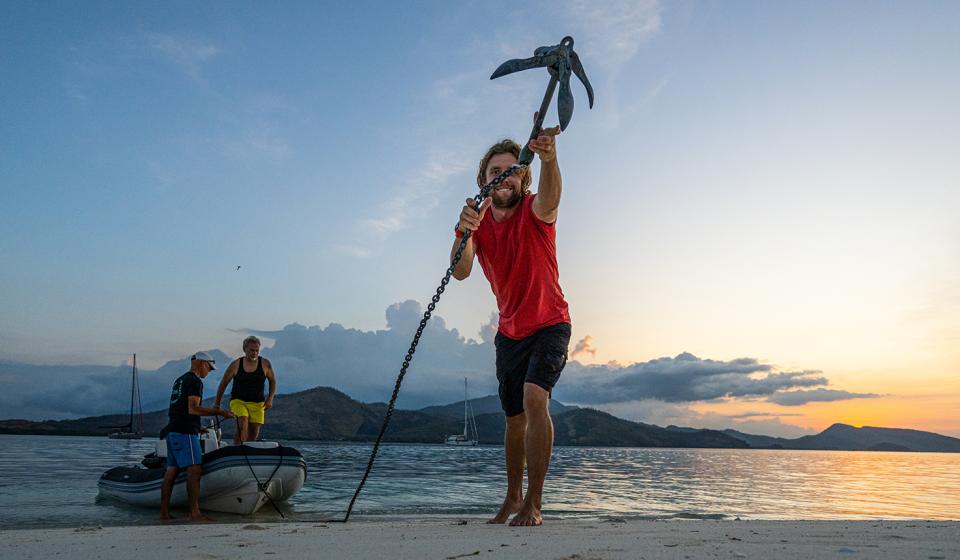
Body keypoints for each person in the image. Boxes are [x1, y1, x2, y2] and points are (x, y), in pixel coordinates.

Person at [451, 116, 571, 527]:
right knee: (513, 418)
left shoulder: (535, 210)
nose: (503, 176)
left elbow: (551, 200)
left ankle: (534, 503)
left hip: (550, 322)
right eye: (494, 172)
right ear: (483, 181)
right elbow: (460, 271)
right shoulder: (477, 222)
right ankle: (512, 498)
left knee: (535, 398)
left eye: (511, 170)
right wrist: (463, 232)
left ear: (523, 178)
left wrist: (549, 158)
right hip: (509, 332)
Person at [159, 351, 233, 521]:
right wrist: (220, 412)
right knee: (194, 470)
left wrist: (197, 427)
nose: (209, 371)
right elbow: (193, 408)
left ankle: (164, 513)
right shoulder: (195, 381)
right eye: (209, 368)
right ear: (201, 363)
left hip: (173, 430)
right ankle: (194, 513)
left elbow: (179, 408)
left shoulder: (180, 380)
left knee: (171, 472)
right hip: (185, 432)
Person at [214, 335, 277, 445]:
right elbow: (224, 383)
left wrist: (270, 398)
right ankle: (237, 449)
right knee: (242, 423)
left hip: (258, 403)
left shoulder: (265, 364)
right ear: (245, 349)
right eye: (252, 350)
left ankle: (248, 451)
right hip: (238, 401)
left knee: (253, 433)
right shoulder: (235, 364)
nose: (254, 353)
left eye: (257, 350)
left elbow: (272, 381)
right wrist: (217, 403)